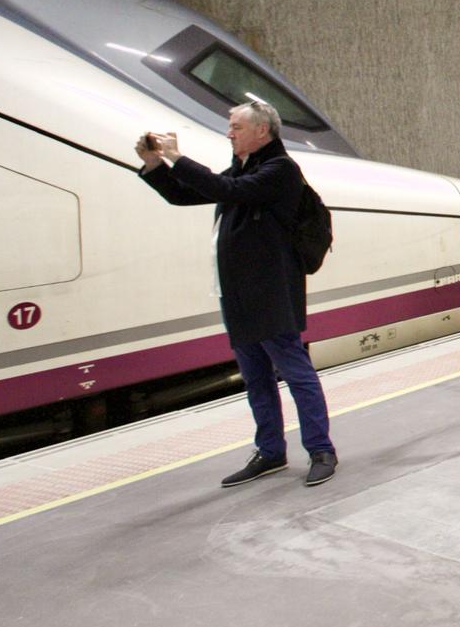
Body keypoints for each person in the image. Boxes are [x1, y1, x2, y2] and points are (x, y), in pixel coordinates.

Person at [136, 103, 336, 489]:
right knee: (256, 377)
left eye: (236, 126)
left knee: (296, 373)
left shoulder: (279, 170)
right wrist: (154, 165)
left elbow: (226, 190)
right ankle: (271, 451)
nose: (229, 133)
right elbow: (187, 195)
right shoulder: (245, 169)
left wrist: (177, 157)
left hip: (271, 293)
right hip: (240, 294)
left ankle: (321, 450)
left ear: (262, 131)